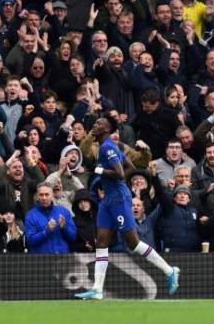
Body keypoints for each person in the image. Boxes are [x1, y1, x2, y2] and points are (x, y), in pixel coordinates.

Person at [75, 116, 179, 300]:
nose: (95, 125)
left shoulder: (108, 147)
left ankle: (170, 270)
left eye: (100, 123)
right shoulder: (107, 147)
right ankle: (98, 290)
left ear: (107, 129)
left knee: (134, 243)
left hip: (119, 200)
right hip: (108, 200)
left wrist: (98, 170)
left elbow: (121, 173)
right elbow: (131, 166)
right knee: (101, 242)